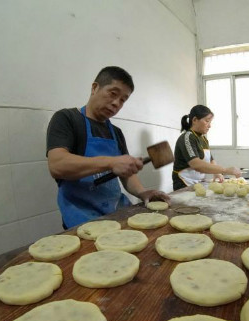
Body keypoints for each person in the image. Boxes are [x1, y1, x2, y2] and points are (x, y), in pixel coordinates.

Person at [46, 66, 170, 229]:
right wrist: (111, 162)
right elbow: (57, 165)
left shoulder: (116, 132)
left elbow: (127, 175)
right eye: (113, 94)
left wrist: (142, 192)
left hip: (117, 214)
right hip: (82, 219)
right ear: (95, 88)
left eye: (123, 100)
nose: (116, 103)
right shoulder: (67, 119)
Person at [172, 105, 241, 190]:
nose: (209, 126)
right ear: (194, 120)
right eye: (207, 121)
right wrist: (225, 170)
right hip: (184, 183)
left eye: (210, 122)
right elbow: (196, 164)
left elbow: (211, 160)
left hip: (198, 183)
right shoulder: (187, 137)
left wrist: (217, 173)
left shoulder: (203, 139)